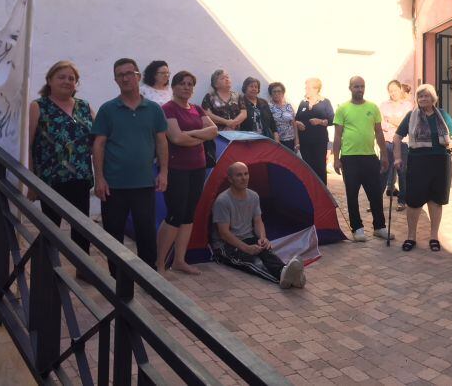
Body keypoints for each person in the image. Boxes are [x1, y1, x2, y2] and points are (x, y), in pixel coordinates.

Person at [92, 58, 168, 273]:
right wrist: (99, 178)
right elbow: (98, 145)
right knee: (113, 235)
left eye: (129, 73)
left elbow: (161, 141)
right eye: (120, 75)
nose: (125, 78)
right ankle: (117, 279)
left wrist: (163, 172)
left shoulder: (153, 109)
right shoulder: (108, 109)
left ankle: (149, 277)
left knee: (146, 233)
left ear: (138, 76)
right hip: (113, 185)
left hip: (144, 184)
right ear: (115, 80)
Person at [28, 60, 95, 258]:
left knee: (82, 227)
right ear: (49, 80)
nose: (67, 81)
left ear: (76, 84)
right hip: (50, 179)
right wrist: (30, 181)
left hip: (80, 177)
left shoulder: (84, 107)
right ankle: (48, 267)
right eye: (61, 77)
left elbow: (99, 139)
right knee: (50, 228)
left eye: (71, 78)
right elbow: (28, 143)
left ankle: (83, 268)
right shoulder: (38, 106)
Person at [157, 71, 217, 275]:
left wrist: (190, 135)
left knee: (188, 215)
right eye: (182, 83)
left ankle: (179, 260)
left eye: (190, 84)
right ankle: (159, 263)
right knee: (175, 214)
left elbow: (214, 131)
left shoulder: (197, 108)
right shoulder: (167, 109)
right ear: (173, 87)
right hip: (177, 169)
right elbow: (175, 138)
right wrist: (199, 136)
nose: (186, 87)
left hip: (197, 168)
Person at [211, 162, 305, 288]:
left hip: (248, 238)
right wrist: (246, 248)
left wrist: (262, 237)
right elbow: (224, 234)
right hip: (226, 246)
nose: (244, 178)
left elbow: (258, 221)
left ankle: (285, 271)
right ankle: (284, 278)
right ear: (230, 179)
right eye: (239, 175)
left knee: (267, 253)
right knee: (253, 263)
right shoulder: (223, 201)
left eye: (246, 174)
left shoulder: (253, 196)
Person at [393, 84, 452, 252]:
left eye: (426, 96)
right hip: (418, 162)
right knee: (413, 201)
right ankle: (411, 237)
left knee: (436, 200)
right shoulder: (411, 116)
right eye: (420, 96)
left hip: (440, 163)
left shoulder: (442, 115)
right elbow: (397, 136)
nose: (423, 99)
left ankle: (434, 236)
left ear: (433, 98)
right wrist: (398, 157)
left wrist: (450, 146)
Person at [333, 76, 392, 242]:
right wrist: (336, 158)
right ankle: (357, 228)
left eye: (362, 86)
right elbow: (337, 136)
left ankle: (379, 227)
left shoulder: (373, 107)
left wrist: (384, 155)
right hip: (349, 158)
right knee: (352, 195)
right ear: (350, 88)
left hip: (370, 157)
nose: (359, 89)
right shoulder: (343, 108)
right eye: (356, 86)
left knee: (375, 194)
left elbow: (379, 132)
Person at [379, 80, 413, 211]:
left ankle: (402, 200)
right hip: (387, 142)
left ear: (400, 90)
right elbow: (381, 125)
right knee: (383, 171)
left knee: (402, 172)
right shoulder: (383, 105)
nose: (393, 93)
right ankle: (376, 200)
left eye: (395, 90)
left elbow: (406, 124)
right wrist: (394, 123)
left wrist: (390, 120)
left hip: (402, 142)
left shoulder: (408, 105)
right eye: (390, 90)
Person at [295, 78, 335, 184]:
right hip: (304, 142)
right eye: (306, 87)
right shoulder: (303, 103)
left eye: (308, 88)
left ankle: (322, 192)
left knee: (320, 167)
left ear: (316, 89)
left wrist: (320, 121)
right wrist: (298, 123)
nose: (306, 90)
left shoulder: (325, 102)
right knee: (307, 167)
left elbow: (332, 120)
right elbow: (296, 118)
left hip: (319, 141)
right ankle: (309, 192)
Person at [268, 82, 300, 152]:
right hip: (276, 141)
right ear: (271, 93)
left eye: (279, 91)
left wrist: (296, 140)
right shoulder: (268, 106)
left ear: (283, 93)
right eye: (274, 91)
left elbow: (294, 124)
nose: (276, 94)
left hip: (290, 140)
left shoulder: (288, 106)